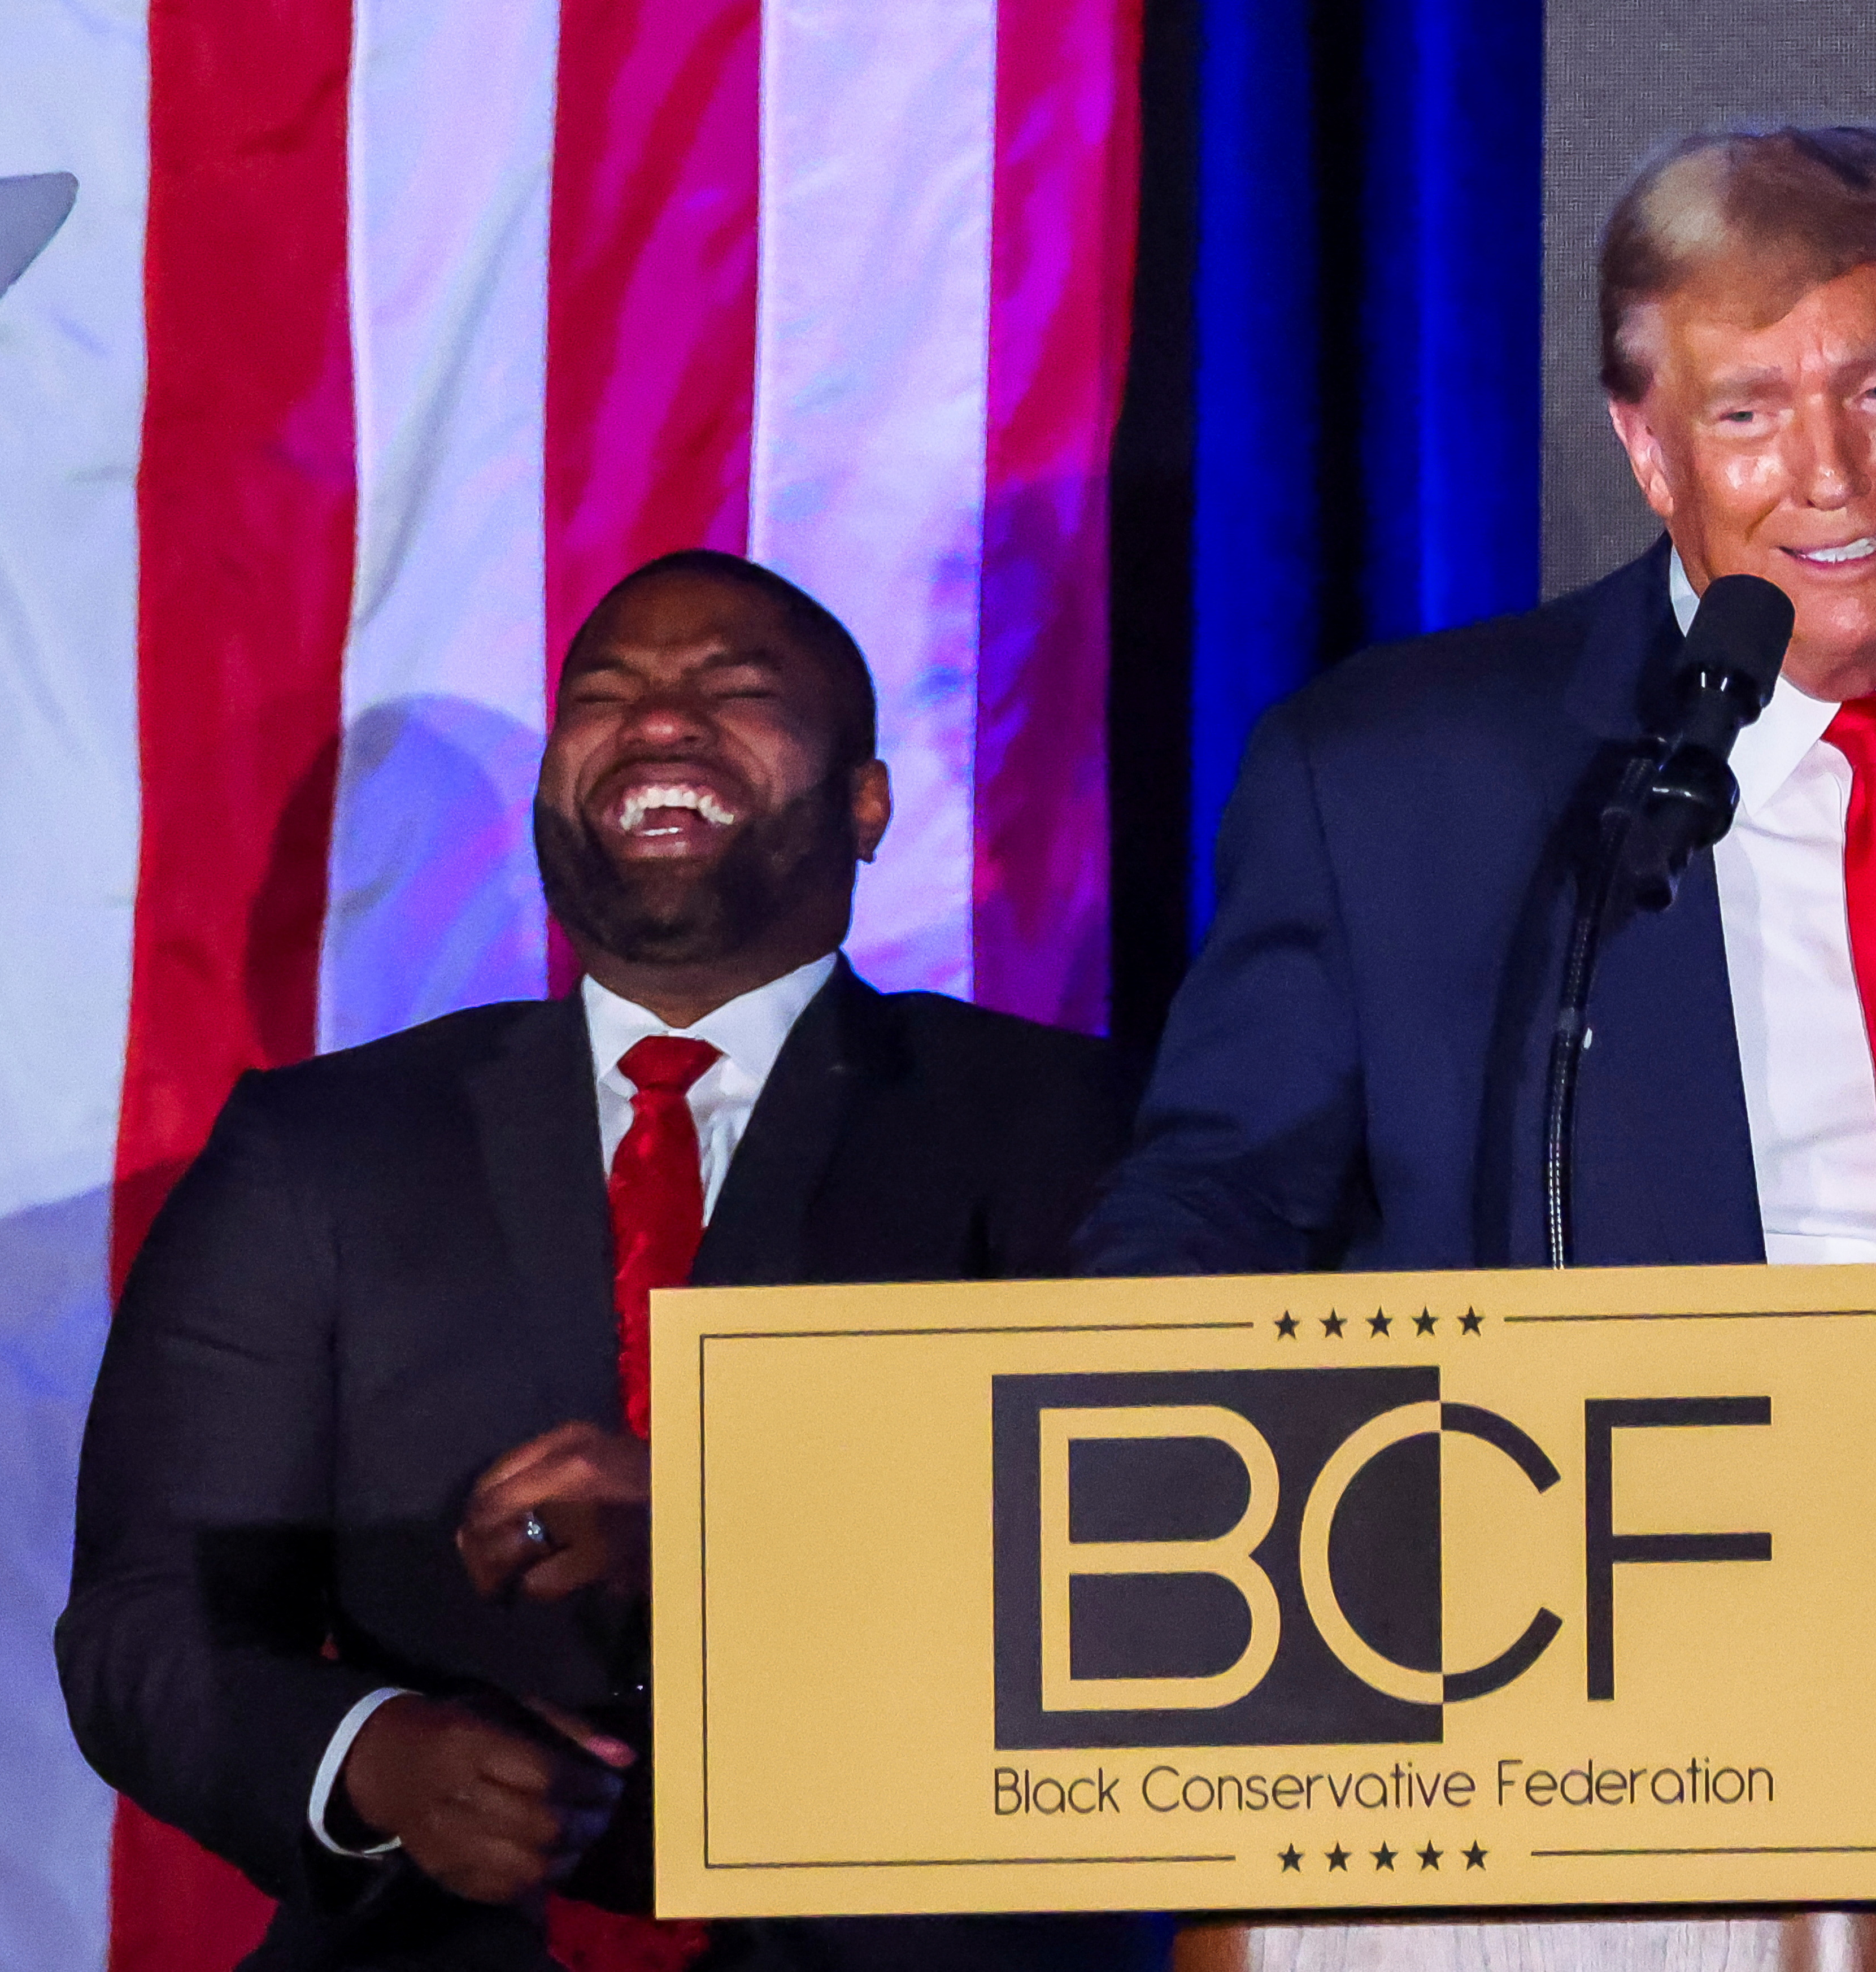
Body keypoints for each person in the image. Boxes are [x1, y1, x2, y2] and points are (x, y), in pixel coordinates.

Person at [1076, 128, 1876, 1972]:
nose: (1826, 473)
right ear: (1645, 442)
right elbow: (1206, 1205)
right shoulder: (1401, 777)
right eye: (1747, 408)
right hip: (1642, 1798)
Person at [59, 550, 1160, 1972]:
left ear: (867, 803)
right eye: (607, 694)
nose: (657, 723)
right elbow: (149, 1622)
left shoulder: (1080, 1124)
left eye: (737, 691)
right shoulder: (318, 1147)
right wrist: (374, 1757)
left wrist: (740, 1518)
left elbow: (1170, 1539)